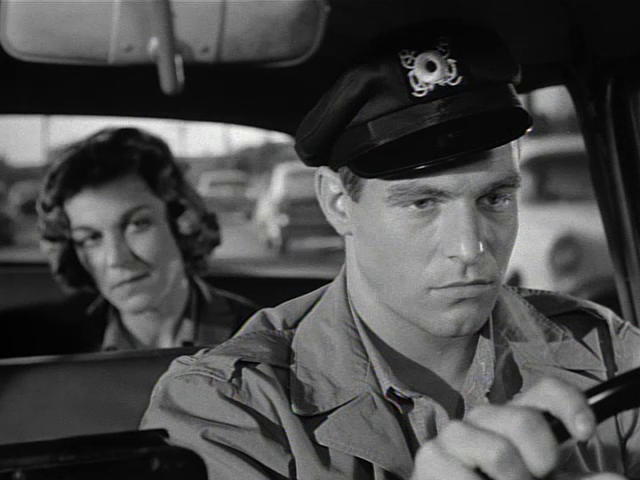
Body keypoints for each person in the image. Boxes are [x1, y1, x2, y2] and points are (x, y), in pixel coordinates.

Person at [140, 20, 640, 479]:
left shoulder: (606, 353)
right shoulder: (230, 408)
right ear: (338, 203)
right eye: (422, 203)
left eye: (495, 198)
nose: (470, 247)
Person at [35, 127, 257, 352]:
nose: (116, 259)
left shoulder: (255, 334)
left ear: (181, 223)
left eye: (138, 224)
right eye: (91, 237)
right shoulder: (57, 346)